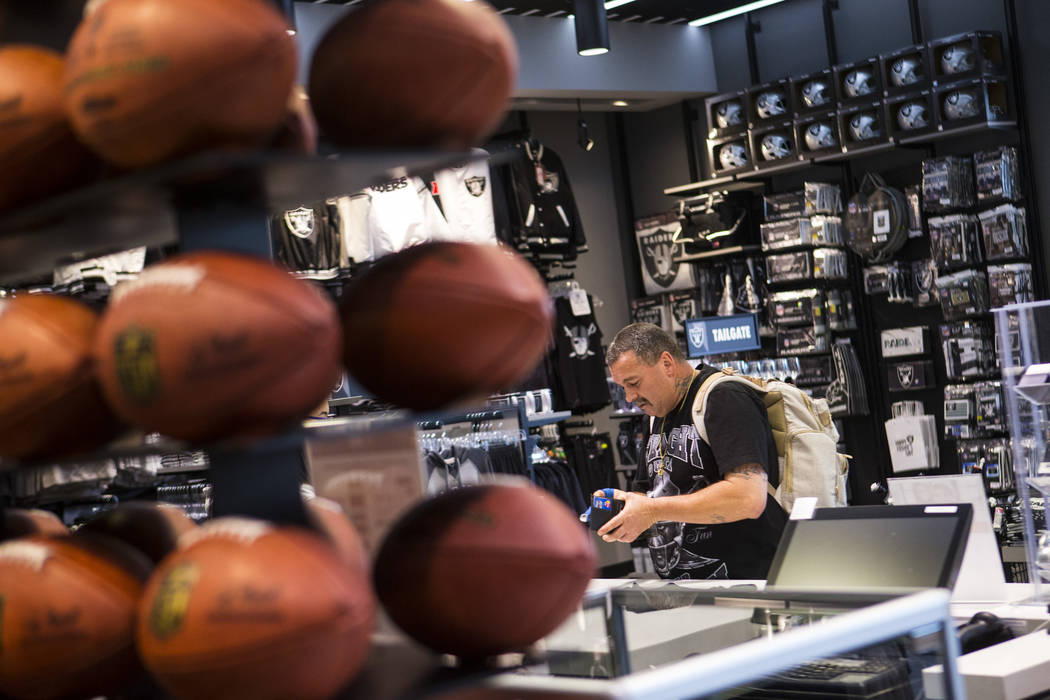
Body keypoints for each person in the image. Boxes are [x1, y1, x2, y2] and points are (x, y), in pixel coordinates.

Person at [598, 322, 786, 580]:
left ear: (667, 363)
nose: (629, 397)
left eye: (634, 383)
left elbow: (748, 499)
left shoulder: (724, 398)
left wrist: (652, 510)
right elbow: (651, 495)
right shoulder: (655, 416)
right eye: (623, 387)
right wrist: (626, 508)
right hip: (689, 597)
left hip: (748, 590)